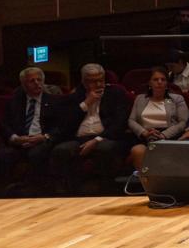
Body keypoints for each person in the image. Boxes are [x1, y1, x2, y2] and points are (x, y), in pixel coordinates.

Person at [50, 64, 133, 193]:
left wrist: (97, 140)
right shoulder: (74, 96)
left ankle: (106, 191)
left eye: (102, 80)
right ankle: (70, 193)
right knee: (62, 150)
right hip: (78, 138)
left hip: (106, 137)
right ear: (84, 82)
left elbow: (119, 123)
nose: (99, 84)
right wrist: (86, 103)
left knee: (105, 149)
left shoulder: (116, 94)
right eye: (94, 81)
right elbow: (65, 125)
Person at [0, 66, 60, 192]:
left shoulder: (54, 101)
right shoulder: (15, 101)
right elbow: (4, 124)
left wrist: (44, 137)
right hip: (20, 142)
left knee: (36, 154)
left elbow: (61, 126)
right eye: (31, 81)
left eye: (39, 80)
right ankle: (0, 195)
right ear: (23, 84)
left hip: (42, 140)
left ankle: (33, 190)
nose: (37, 83)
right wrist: (15, 138)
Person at [126, 67, 189, 170]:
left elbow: (183, 122)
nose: (159, 82)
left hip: (169, 136)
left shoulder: (177, 99)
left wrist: (163, 135)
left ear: (167, 83)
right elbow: (131, 120)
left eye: (163, 79)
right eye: (155, 79)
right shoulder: (140, 99)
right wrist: (144, 133)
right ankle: (145, 183)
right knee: (137, 150)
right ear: (150, 83)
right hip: (146, 136)